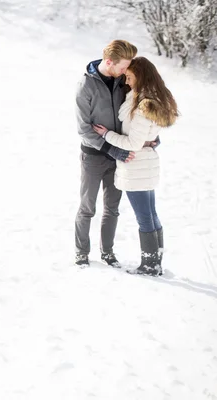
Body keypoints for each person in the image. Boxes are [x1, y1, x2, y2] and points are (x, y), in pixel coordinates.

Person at [92, 56, 178, 276]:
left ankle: (149, 265)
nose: (127, 82)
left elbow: (133, 143)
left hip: (136, 166)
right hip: (144, 164)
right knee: (151, 214)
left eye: (129, 77)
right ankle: (155, 263)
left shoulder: (143, 105)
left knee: (145, 217)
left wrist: (106, 134)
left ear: (140, 75)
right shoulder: (151, 98)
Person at [74, 40, 138, 268]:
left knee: (112, 208)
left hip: (117, 156)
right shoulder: (86, 86)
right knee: (87, 207)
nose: (125, 71)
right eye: (122, 67)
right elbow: (83, 129)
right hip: (93, 156)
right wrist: (111, 148)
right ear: (109, 62)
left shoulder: (123, 82)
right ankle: (81, 252)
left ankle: (108, 252)